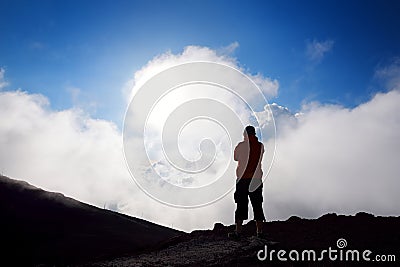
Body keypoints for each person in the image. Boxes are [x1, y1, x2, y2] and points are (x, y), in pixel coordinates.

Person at [229, 125, 266, 239]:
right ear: (254, 133)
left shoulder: (241, 146)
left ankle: (238, 231)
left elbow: (235, 158)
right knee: (257, 205)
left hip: (242, 180)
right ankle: (259, 232)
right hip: (256, 179)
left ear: (245, 134)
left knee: (241, 205)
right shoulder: (260, 146)